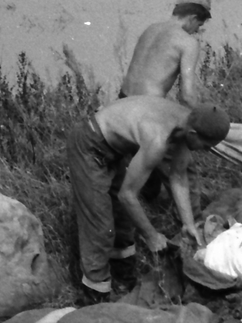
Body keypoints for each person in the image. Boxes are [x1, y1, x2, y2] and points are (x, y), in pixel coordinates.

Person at [67, 95, 230, 298]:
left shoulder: (184, 124)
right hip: (90, 144)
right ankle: (95, 292)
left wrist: (188, 223)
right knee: (99, 224)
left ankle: (123, 281)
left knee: (122, 221)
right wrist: (151, 236)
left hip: (114, 149)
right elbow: (127, 195)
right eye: (205, 145)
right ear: (194, 133)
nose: (205, 151)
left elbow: (178, 176)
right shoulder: (158, 139)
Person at [119, 0, 210, 104]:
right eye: (199, 25)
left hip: (122, 100)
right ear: (193, 18)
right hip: (148, 105)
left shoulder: (150, 30)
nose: (196, 31)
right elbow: (187, 95)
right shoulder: (188, 42)